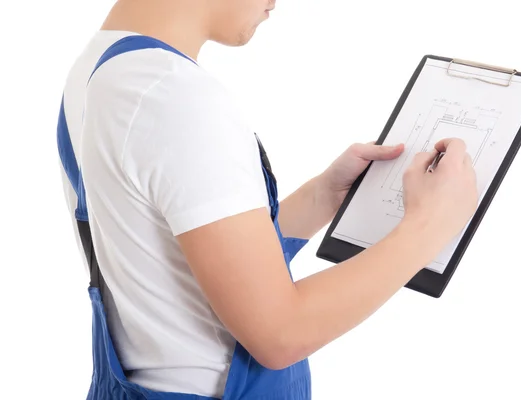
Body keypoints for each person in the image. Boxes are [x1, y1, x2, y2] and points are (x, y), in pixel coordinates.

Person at [56, 0, 479, 399]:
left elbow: (169, 248)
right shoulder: (174, 96)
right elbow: (280, 333)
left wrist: (322, 196)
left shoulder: (100, 67)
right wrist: (427, 226)